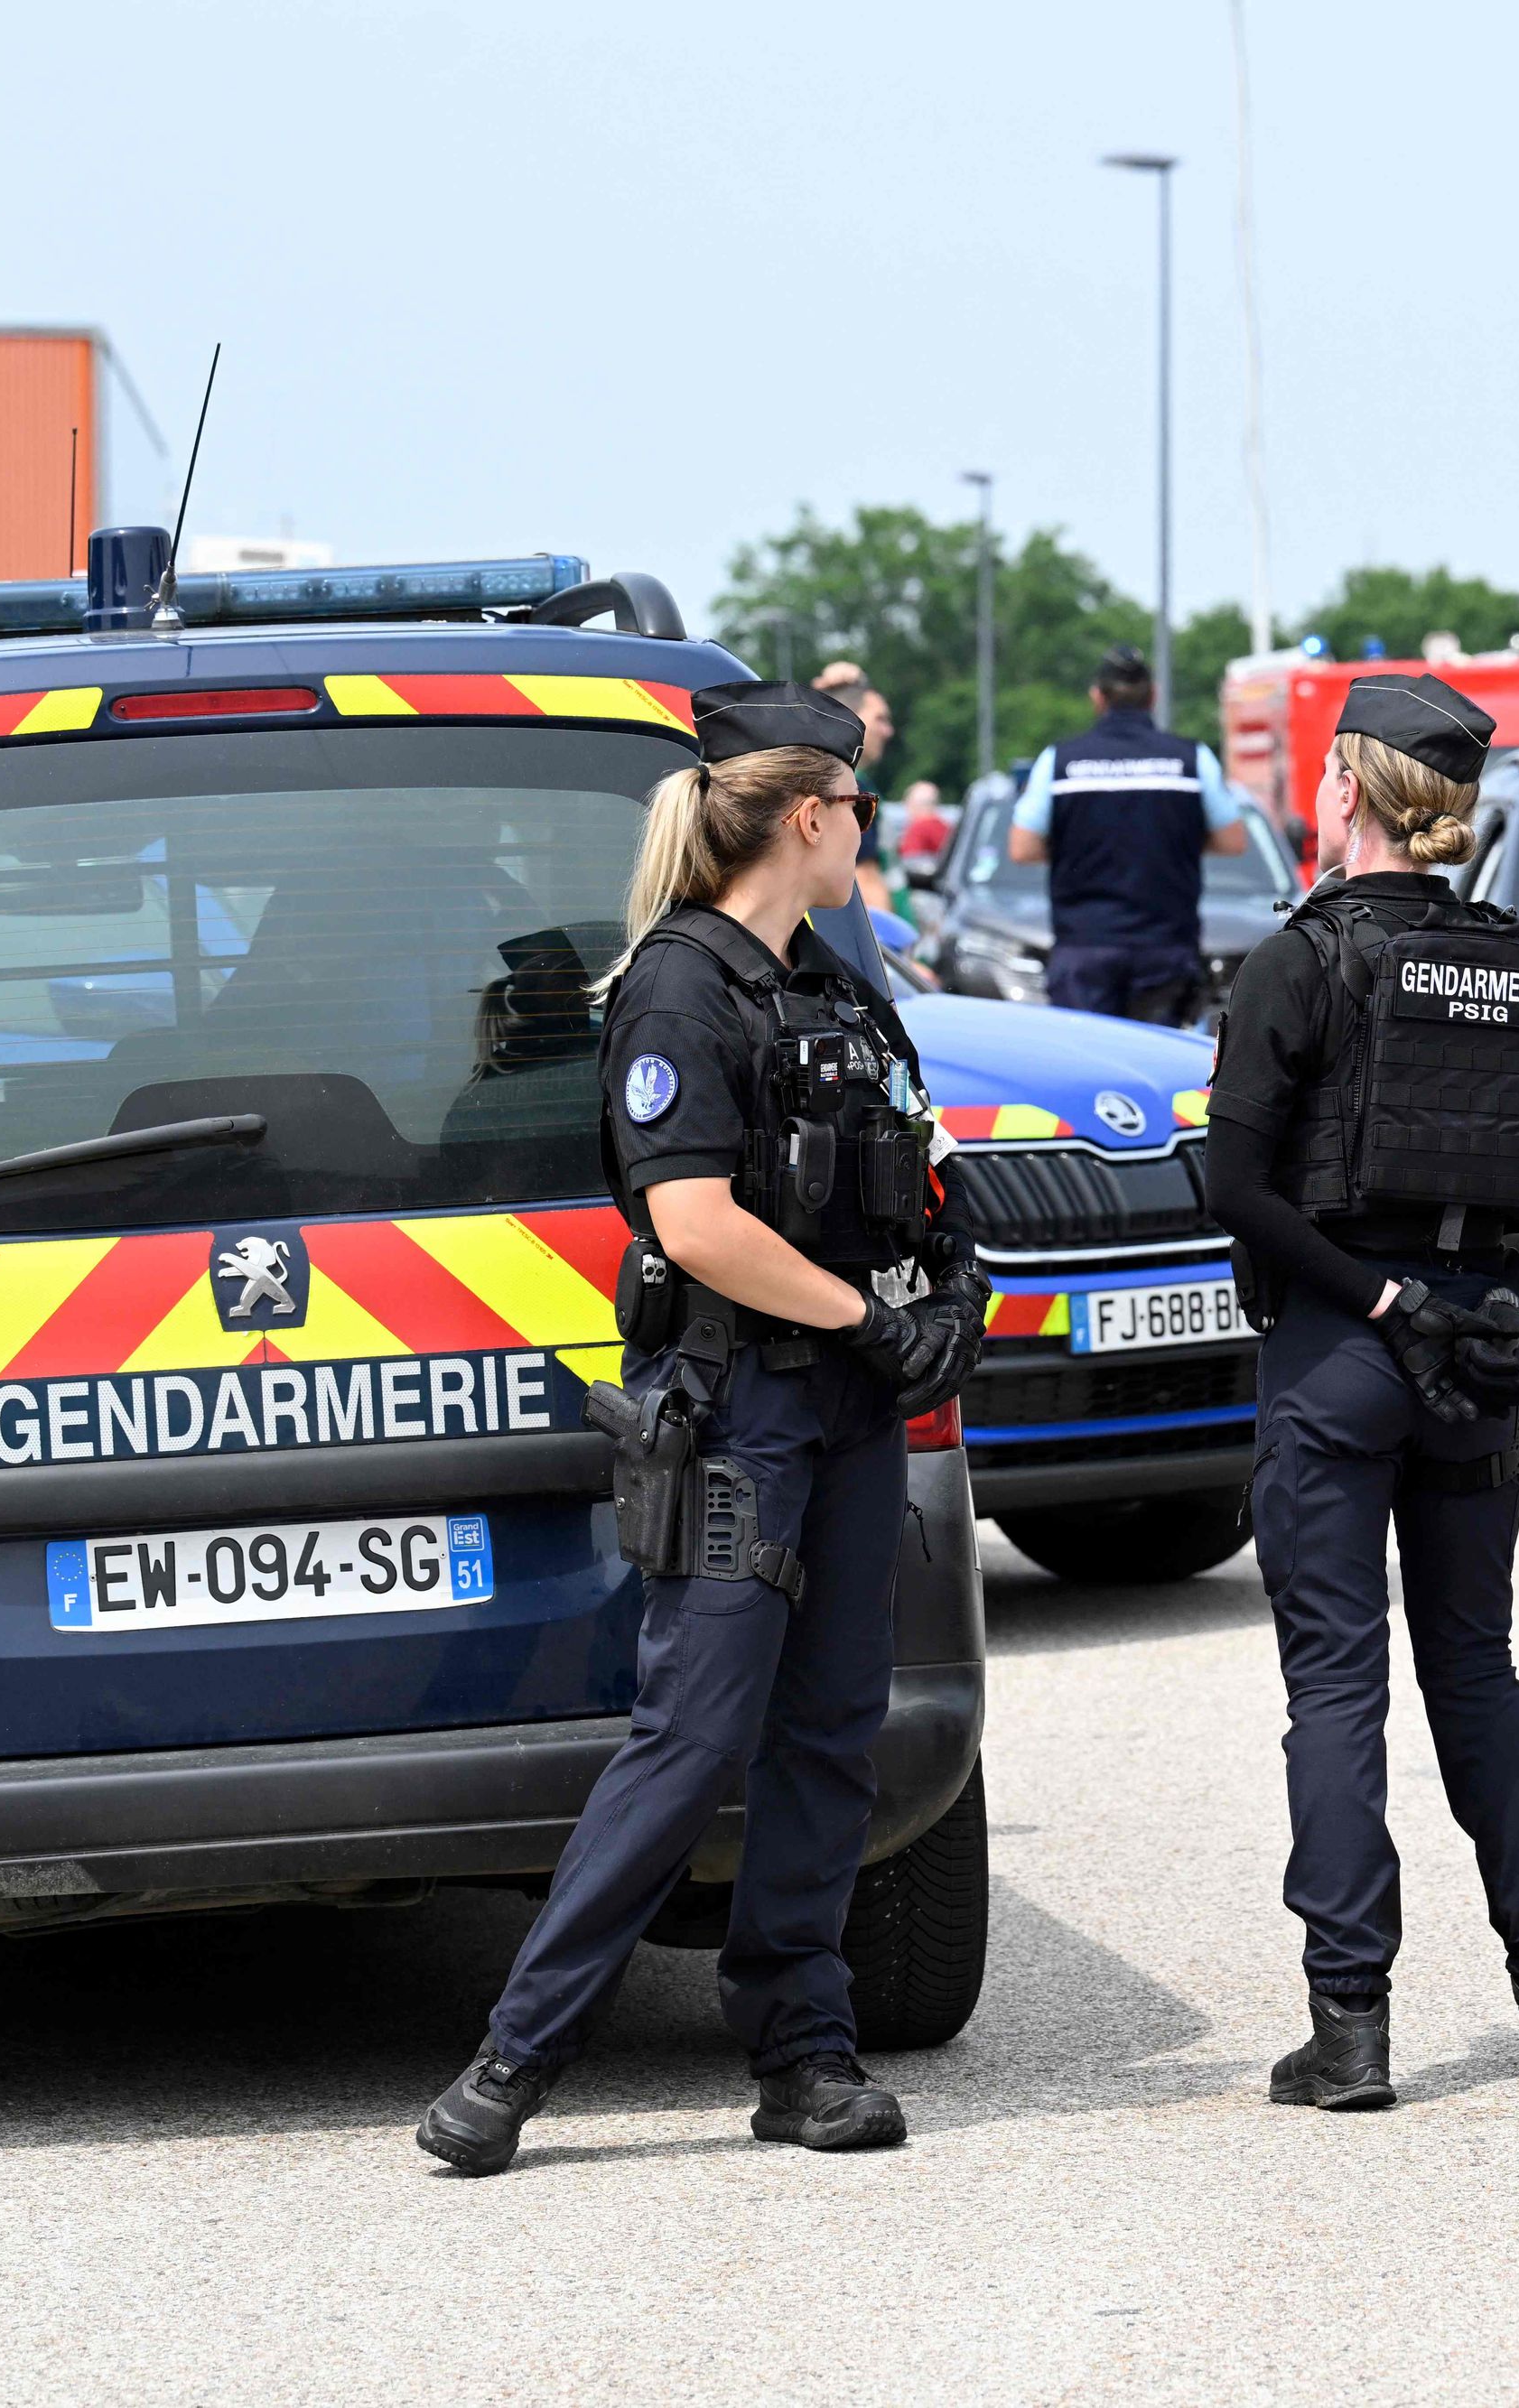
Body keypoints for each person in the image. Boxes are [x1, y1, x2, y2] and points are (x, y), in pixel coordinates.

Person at [417, 680, 992, 2173]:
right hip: (747, 1413)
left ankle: (806, 2058)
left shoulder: (842, 991)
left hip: (856, 1417)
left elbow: (926, 1176)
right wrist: (869, 1321)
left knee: (831, 1735)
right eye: (857, 805)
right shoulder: (683, 988)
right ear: (807, 814)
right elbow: (698, 1222)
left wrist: (956, 1293)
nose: (867, 826)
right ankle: (513, 2060)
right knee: (691, 1741)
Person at [1201, 671, 1519, 2110]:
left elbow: (1240, 1187)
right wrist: (1497, 1296)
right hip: (1479, 1360)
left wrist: (1382, 1296)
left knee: (1337, 1683)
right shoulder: (1517, 961)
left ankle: (1351, 2029)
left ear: (1341, 787)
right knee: (1477, 1669)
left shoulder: (1304, 959)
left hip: (1342, 1348)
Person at [1009, 643, 1249, 1024]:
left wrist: (1080, 846)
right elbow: (1233, 840)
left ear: (1097, 697)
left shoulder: (1059, 761)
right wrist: (1170, 841)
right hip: (1165, 950)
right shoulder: (1192, 759)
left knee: (1086, 1068)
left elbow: (1022, 847)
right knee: (1154, 1067)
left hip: (1084, 951)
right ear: (1152, 697)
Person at [808, 661, 900, 923]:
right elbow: (865, 877)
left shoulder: (858, 783)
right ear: (851, 720)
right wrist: (893, 952)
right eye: (880, 719)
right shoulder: (853, 791)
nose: (888, 731)